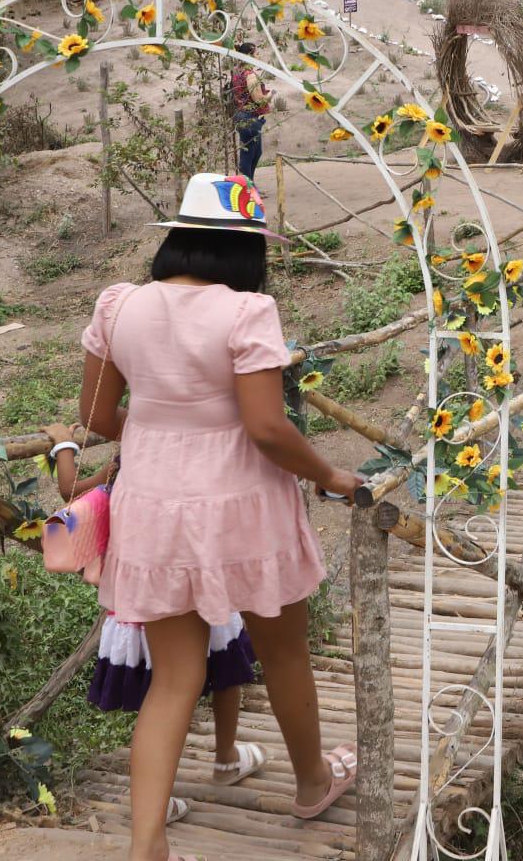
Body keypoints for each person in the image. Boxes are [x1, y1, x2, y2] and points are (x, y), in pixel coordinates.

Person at [81, 172, 364, 861]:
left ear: (178, 237)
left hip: (151, 504)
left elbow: (94, 416)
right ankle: (311, 783)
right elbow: (266, 428)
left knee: (174, 677)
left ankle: (146, 844)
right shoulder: (246, 313)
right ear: (246, 252)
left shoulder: (119, 307)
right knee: (284, 650)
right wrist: (330, 474)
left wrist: (162, 424)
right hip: (242, 507)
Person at [41, 423, 265, 827]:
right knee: (223, 666)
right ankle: (226, 756)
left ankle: (156, 801)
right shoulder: (196, 445)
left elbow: (71, 490)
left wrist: (64, 445)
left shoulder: (133, 453)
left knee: (157, 694)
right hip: (197, 581)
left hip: (142, 592)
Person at [229, 42, 270, 182]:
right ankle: (247, 187)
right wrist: (270, 96)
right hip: (249, 118)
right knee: (250, 153)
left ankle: (249, 184)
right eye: (256, 53)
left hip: (242, 115)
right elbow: (259, 99)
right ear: (249, 55)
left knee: (254, 152)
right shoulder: (250, 75)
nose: (258, 56)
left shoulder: (237, 71)